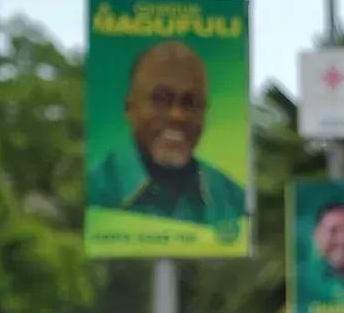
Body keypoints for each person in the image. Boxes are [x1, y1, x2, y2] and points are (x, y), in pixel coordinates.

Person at [86, 41, 247, 228]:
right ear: (130, 107)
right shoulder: (94, 191)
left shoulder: (232, 200)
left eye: (191, 102)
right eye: (161, 99)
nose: (177, 115)